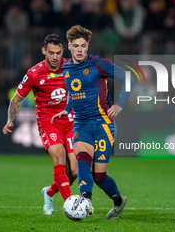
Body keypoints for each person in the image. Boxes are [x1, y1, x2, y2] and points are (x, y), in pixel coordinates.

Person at [52, 25, 133, 219]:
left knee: (100, 177)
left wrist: (120, 105)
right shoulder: (66, 68)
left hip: (103, 124)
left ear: (88, 46)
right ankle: (85, 201)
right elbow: (73, 92)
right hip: (81, 124)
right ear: (69, 47)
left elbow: (128, 77)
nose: (80, 49)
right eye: (76, 46)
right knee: (81, 162)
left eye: (84, 46)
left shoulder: (99, 64)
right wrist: (66, 109)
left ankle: (119, 202)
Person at [2, 34, 77, 215]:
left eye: (58, 53)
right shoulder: (34, 73)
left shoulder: (72, 67)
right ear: (44, 51)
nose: (54, 57)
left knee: (75, 171)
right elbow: (16, 100)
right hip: (48, 123)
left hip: (71, 121)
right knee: (59, 157)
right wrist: (9, 121)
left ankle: (49, 192)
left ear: (63, 51)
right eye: (50, 53)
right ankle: (71, 206)